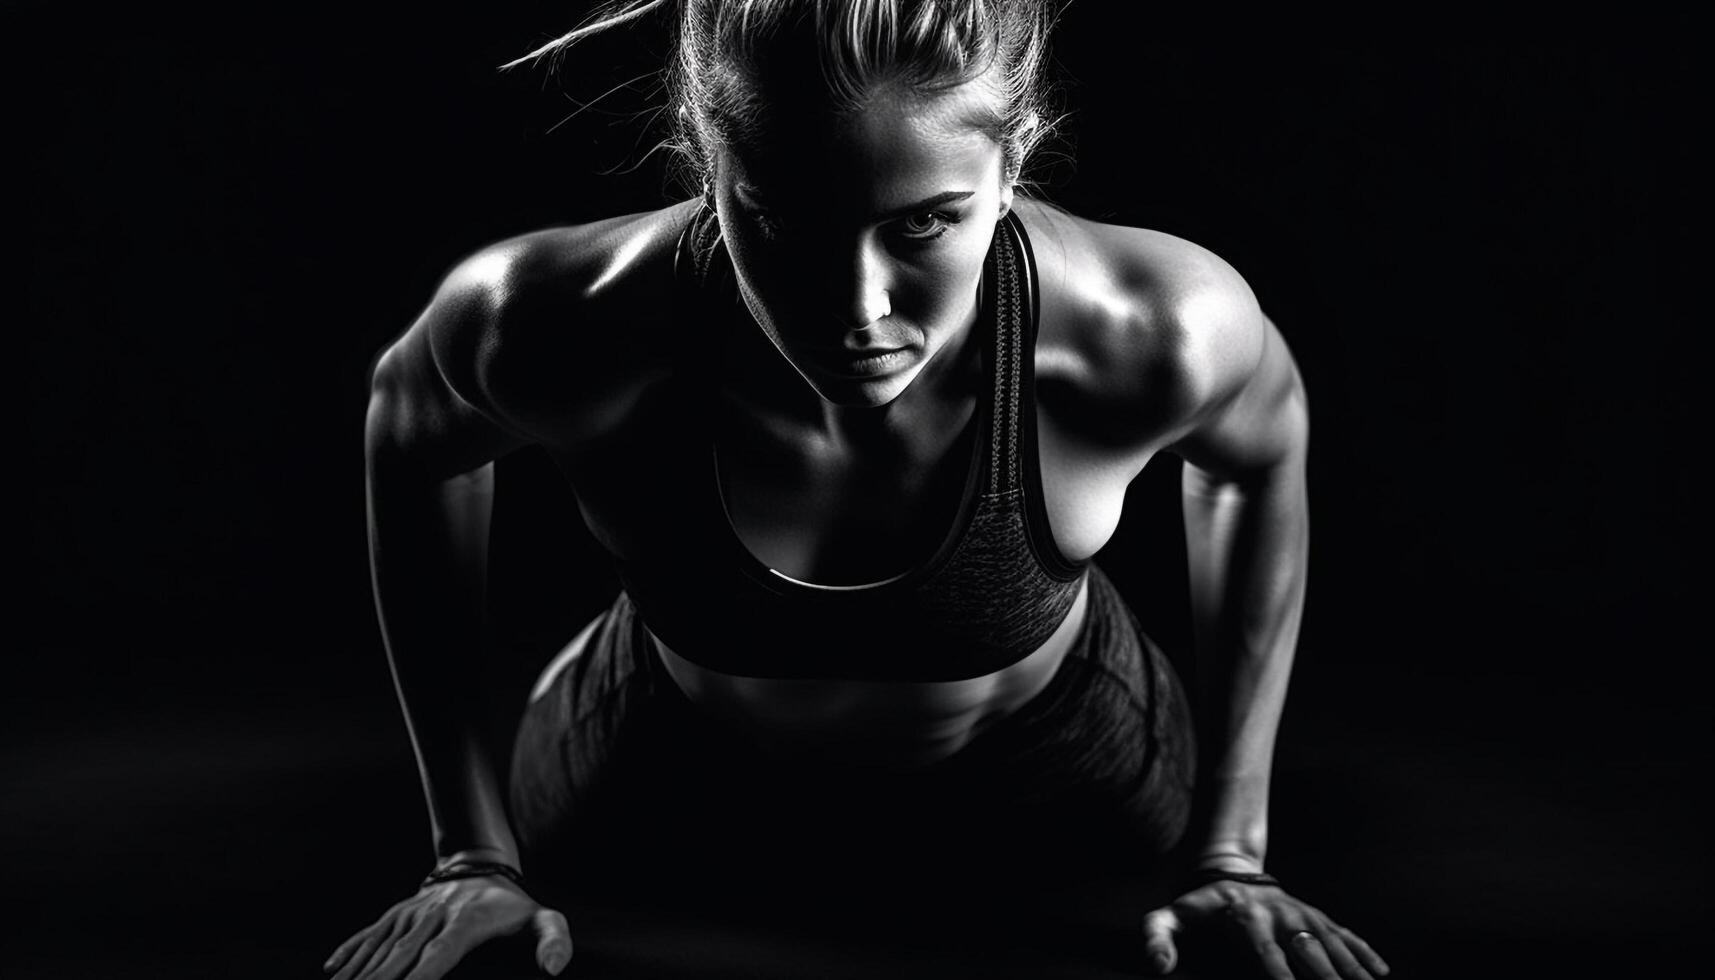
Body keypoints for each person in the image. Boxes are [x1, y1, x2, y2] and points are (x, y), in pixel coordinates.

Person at [324, 2, 1391, 978]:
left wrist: (1231, 850)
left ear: (1012, 161)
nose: (856, 304)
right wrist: (470, 850)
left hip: (1060, 784)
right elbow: (409, 430)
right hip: (658, 776)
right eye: (782, 218)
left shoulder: (1150, 327)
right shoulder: (553, 320)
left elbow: (1259, 453)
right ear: (703, 160)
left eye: (925, 222)